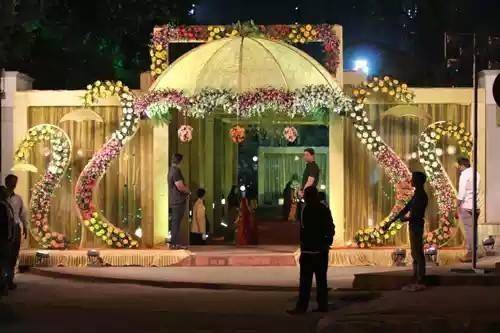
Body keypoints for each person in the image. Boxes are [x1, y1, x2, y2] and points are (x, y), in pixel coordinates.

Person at [287, 187, 334, 315]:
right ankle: (322, 305)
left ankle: (302, 307)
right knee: (321, 281)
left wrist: (304, 245)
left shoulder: (306, 209)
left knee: (305, 282)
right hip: (321, 251)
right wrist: (327, 242)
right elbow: (330, 227)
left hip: (308, 251)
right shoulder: (324, 209)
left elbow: (305, 229)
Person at [390, 171, 428, 291]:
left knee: (418, 252)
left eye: (413, 179)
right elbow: (406, 208)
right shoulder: (417, 194)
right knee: (414, 252)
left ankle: (420, 277)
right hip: (413, 224)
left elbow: (417, 214)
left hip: (416, 224)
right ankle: (416, 275)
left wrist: (405, 218)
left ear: (418, 181)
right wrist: (392, 221)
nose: (411, 181)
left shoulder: (421, 196)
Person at [5, 175, 28, 290]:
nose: (14, 184)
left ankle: (10, 279)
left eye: (15, 182)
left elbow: (23, 214)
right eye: (11, 182)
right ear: (6, 182)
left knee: (14, 254)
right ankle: (4, 280)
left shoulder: (18, 198)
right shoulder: (3, 198)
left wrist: (26, 227)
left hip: (15, 228)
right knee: (6, 254)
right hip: (5, 228)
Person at [456, 157, 481, 262]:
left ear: (462, 165)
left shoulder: (464, 174)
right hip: (476, 206)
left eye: (459, 166)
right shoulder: (477, 173)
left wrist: (457, 206)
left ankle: (471, 253)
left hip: (467, 206)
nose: (458, 168)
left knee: (469, 230)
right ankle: (475, 252)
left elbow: (461, 192)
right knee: (474, 229)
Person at [168, 154, 190, 250]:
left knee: (175, 222)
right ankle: (175, 243)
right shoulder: (176, 171)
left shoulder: (171, 170)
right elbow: (179, 186)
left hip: (174, 200)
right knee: (176, 223)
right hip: (178, 200)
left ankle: (174, 243)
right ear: (180, 161)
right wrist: (188, 191)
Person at [297, 148, 320, 223]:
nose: (305, 157)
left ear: (312, 156)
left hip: (310, 196)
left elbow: (310, 181)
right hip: (308, 195)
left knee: (308, 217)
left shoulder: (312, 166)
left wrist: (303, 192)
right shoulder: (309, 166)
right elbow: (305, 181)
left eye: (307, 155)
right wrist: (301, 190)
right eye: (304, 155)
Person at [0, 186, 15, 297]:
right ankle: (2, 286)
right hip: (3, 238)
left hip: (8, 237)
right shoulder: (1, 206)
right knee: (3, 263)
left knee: (7, 262)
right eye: (4, 192)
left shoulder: (6, 204)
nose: (6, 193)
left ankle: (6, 284)